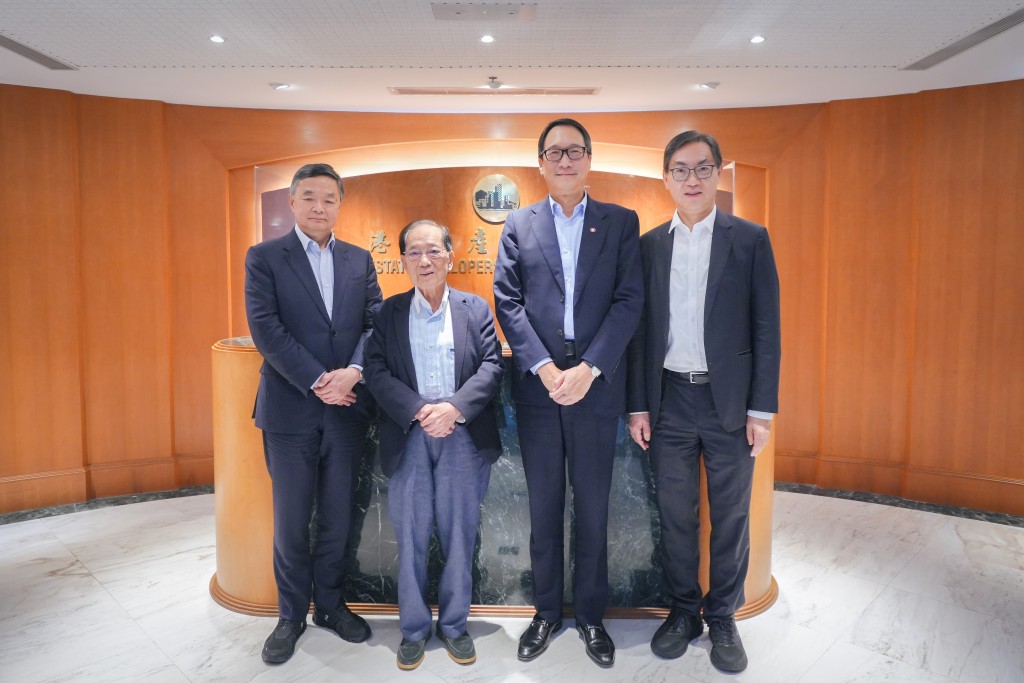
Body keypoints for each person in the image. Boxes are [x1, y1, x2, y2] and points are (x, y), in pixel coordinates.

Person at [626, 131, 781, 673]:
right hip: (668, 398)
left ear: (717, 174)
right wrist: (638, 405)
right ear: (666, 177)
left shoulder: (750, 239)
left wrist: (761, 411)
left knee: (732, 515)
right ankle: (683, 610)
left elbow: (767, 327)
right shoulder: (648, 246)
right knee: (675, 515)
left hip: (730, 404)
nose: (692, 179)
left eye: (702, 168)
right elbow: (641, 332)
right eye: (681, 170)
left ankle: (722, 617)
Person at [493, 118, 644, 668]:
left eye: (574, 151)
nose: (564, 160)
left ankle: (591, 617)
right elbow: (506, 300)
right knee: (543, 507)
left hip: (596, 390)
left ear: (588, 159)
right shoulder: (518, 222)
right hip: (539, 391)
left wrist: (590, 368)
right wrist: (543, 367)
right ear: (540, 162)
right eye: (554, 152)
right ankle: (545, 613)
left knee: (595, 507)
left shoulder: (620, 223)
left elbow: (629, 302)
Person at [244, 163, 383, 664]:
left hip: (347, 409)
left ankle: (330, 604)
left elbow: (376, 324)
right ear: (292, 202)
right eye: (309, 197)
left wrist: (352, 371)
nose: (319, 206)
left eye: (328, 198)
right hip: (290, 410)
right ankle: (290, 615)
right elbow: (266, 328)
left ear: (340, 204)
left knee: (339, 516)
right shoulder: (264, 258)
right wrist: (318, 380)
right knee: (291, 519)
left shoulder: (358, 260)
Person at [363, 219, 504, 671]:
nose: (424, 261)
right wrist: (421, 410)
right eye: (414, 252)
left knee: (461, 534)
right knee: (411, 534)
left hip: (462, 434)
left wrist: (453, 409)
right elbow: (377, 370)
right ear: (403, 259)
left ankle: (456, 626)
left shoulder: (475, 309)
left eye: (433, 251)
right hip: (409, 434)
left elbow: (491, 367)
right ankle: (414, 630)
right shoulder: (388, 313)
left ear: (449, 255)